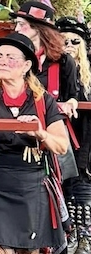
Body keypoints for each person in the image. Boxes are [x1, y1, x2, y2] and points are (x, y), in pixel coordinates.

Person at [0, 32, 69, 253]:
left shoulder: (44, 101)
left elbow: (61, 146)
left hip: (32, 185)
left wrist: (40, 133)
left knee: (28, 251)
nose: (2, 60)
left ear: (26, 65)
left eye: (11, 57)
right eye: (0, 56)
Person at [56, 16, 91, 253]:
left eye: (75, 41)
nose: (69, 45)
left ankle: (85, 238)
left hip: (86, 144)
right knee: (65, 194)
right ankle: (67, 237)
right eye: (64, 40)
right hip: (61, 142)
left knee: (84, 195)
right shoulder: (52, 69)